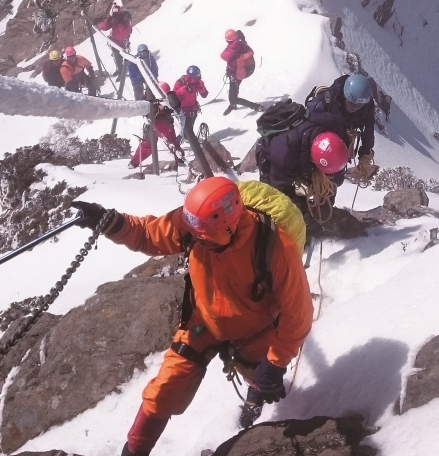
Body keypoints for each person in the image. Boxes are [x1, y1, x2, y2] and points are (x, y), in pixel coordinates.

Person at [70, 178, 313, 456]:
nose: (195, 239)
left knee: (261, 378)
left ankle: (254, 403)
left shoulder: (276, 247)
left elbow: (298, 313)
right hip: (203, 324)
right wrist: (108, 221)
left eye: (204, 237)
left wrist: (276, 361)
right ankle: (134, 452)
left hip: (255, 329)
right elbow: (149, 234)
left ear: (230, 226)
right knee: (164, 392)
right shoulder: (197, 224)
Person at [257, 116, 351, 222]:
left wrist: (326, 198)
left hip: (301, 155)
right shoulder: (283, 155)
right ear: (313, 160)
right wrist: (306, 218)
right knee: (273, 201)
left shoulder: (334, 133)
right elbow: (281, 191)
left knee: (324, 185)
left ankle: (317, 214)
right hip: (271, 159)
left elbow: (333, 178)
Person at [305, 73, 378, 183]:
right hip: (321, 145)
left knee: (336, 181)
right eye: (351, 104)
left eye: (358, 106)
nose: (355, 108)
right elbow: (306, 129)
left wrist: (365, 152)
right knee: (320, 180)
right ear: (344, 96)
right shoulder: (323, 105)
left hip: (340, 144)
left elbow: (368, 129)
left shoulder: (366, 106)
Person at [220, 29, 262, 114]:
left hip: (236, 73)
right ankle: (233, 105)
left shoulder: (234, 47)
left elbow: (224, 56)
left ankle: (255, 106)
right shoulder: (240, 43)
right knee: (234, 88)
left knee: (233, 97)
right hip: (241, 71)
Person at [130, 101, 182, 168]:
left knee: (171, 142)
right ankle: (134, 162)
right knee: (148, 144)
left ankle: (180, 157)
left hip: (163, 120)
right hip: (153, 119)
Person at [98, 5, 133, 82]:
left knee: (121, 57)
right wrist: (109, 20)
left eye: (117, 14)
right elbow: (103, 27)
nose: (116, 16)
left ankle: (122, 72)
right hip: (114, 42)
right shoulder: (113, 20)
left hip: (123, 42)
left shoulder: (125, 19)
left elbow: (126, 32)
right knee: (116, 57)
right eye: (115, 14)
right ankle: (119, 69)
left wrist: (120, 23)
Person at [173, 65, 208, 137]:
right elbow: (173, 99)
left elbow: (204, 95)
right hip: (183, 111)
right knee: (186, 128)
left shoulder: (198, 82)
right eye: (197, 77)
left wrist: (202, 88)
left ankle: (188, 137)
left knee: (190, 126)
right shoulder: (180, 83)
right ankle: (188, 137)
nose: (199, 78)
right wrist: (181, 91)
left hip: (193, 109)